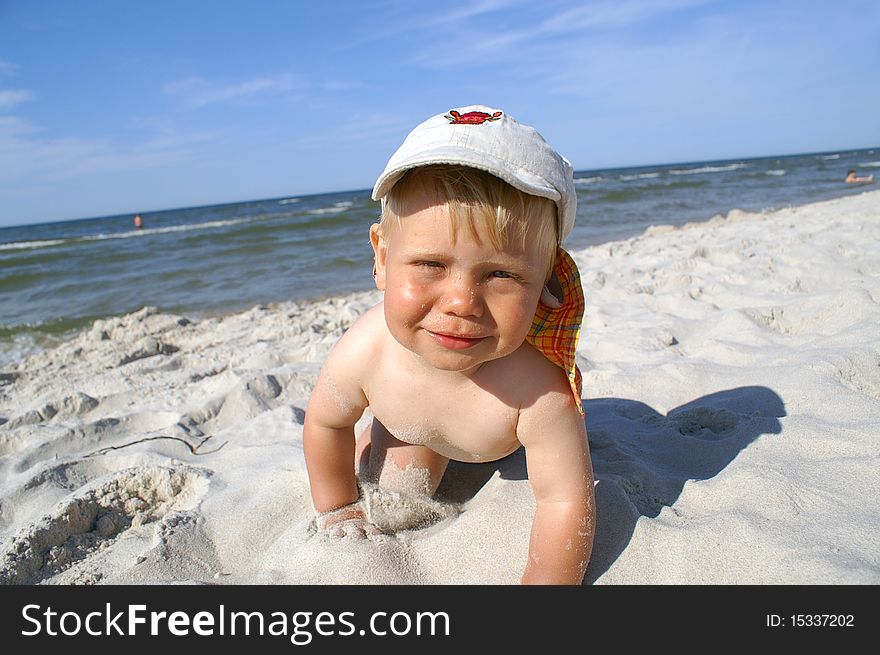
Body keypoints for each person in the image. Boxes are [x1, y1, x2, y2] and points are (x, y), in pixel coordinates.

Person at [303, 105, 595, 585]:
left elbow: (566, 502)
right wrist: (337, 509)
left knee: (558, 461)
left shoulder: (537, 392)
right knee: (398, 493)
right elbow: (324, 422)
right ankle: (388, 440)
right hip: (409, 425)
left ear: (547, 282)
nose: (462, 302)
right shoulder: (367, 348)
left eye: (501, 274)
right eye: (430, 265)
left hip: (492, 445)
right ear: (382, 257)